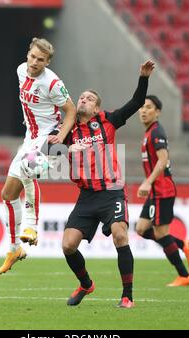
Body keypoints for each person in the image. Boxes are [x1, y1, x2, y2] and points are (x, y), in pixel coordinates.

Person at [61, 60, 155, 308]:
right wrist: (67, 147)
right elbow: (46, 148)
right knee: (68, 245)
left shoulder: (108, 121)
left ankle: (127, 296)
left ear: (96, 108)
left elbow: (135, 103)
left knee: (120, 235)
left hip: (112, 191)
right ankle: (86, 284)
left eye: (89, 98)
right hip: (87, 195)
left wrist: (143, 78)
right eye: (81, 97)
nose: (83, 99)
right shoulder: (68, 130)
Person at [0, 38, 76, 275]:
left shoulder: (52, 82)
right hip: (30, 139)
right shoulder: (21, 70)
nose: (33, 62)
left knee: (28, 168)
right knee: (8, 194)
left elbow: (70, 111)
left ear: (47, 62)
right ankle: (14, 249)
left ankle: (31, 226)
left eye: (40, 60)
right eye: (32, 56)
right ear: (28, 54)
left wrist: (61, 136)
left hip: (51, 139)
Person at [135, 95, 189, 286]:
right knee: (142, 229)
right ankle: (183, 245)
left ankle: (184, 276)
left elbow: (163, 160)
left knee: (161, 234)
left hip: (162, 190)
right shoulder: (149, 132)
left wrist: (147, 182)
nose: (143, 111)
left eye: (149, 107)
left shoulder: (156, 132)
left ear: (158, 112)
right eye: (142, 107)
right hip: (155, 191)